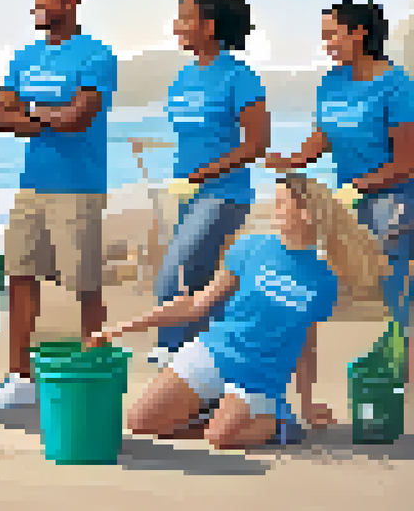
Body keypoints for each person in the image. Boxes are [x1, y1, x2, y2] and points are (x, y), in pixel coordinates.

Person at [90, 173, 388, 449]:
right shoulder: (250, 247)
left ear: (306, 214)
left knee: (220, 439)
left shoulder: (323, 279)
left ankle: (279, 425)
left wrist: (307, 403)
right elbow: (196, 304)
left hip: (260, 374)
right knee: (140, 423)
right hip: (214, 351)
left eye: (283, 202)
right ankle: (219, 409)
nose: (274, 206)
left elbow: (306, 342)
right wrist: (118, 328)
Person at [0, 0, 118, 410]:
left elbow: (80, 119)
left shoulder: (95, 55)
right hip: (31, 185)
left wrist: (30, 110)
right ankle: (20, 379)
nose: (38, 3)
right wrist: (49, 113)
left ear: (73, 0)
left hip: (79, 187)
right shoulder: (23, 57)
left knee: (85, 285)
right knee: (19, 275)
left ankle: (93, 373)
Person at [266, 0, 414, 376]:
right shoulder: (331, 82)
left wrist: (357, 188)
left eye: (332, 34)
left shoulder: (395, 86)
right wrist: (289, 161)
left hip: (392, 199)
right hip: (353, 200)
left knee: (394, 287)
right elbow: (322, 138)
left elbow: (405, 161)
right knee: (368, 287)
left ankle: (405, 373)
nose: (326, 43)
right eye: (324, 36)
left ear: (360, 33)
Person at [150, 0, 269, 367]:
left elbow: (257, 143)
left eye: (185, 19)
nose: (177, 26)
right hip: (187, 194)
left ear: (209, 26)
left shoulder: (239, 76)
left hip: (223, 194)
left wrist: (201, 174)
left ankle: (172, 352)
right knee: (200, 284)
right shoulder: (184, 77)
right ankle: (212, 361)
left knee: (173, 276)